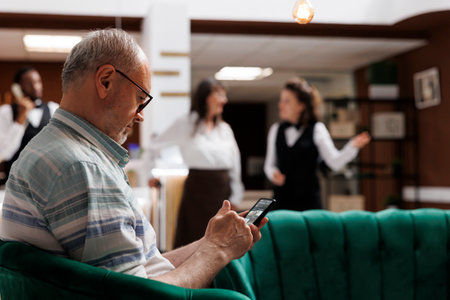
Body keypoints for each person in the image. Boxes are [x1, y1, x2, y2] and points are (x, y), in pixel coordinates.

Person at [0, 29, 265, 289]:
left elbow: (142, 270)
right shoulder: (84, 169)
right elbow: (139, 295)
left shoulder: (56, 150)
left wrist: (210, 241)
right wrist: (217, 251)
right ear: (105, 81)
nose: (140, 116)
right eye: (140, 99)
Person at [146, 77, 244, 248]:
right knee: (194, 240)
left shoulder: (224, 129)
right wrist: (149, 174)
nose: (224, 100)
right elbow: (154, 145)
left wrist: (236, 194)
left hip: (222, 192)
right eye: (219, 95)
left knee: (222, 241)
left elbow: (235, 165)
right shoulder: (185, 124)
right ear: (206, 97)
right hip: (197, 191)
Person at [264, 77, 370, 211]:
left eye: (287, 101)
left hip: (308, 199)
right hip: (281, 198)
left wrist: (352, 147)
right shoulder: (275, 129)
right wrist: (273, 173)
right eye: (281, 100)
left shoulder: (317, 129)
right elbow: (269, 165)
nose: (281, 105)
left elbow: (334, 162)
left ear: (301, 106)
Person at [0, 67, 58, 181]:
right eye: (29, 83)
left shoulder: (54, 109)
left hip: (47, 181)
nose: (36, 87)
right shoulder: (6, 112)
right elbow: (4, 153)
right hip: (14, 182)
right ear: (17, 88)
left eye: (38, 82)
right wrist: (20, 119)